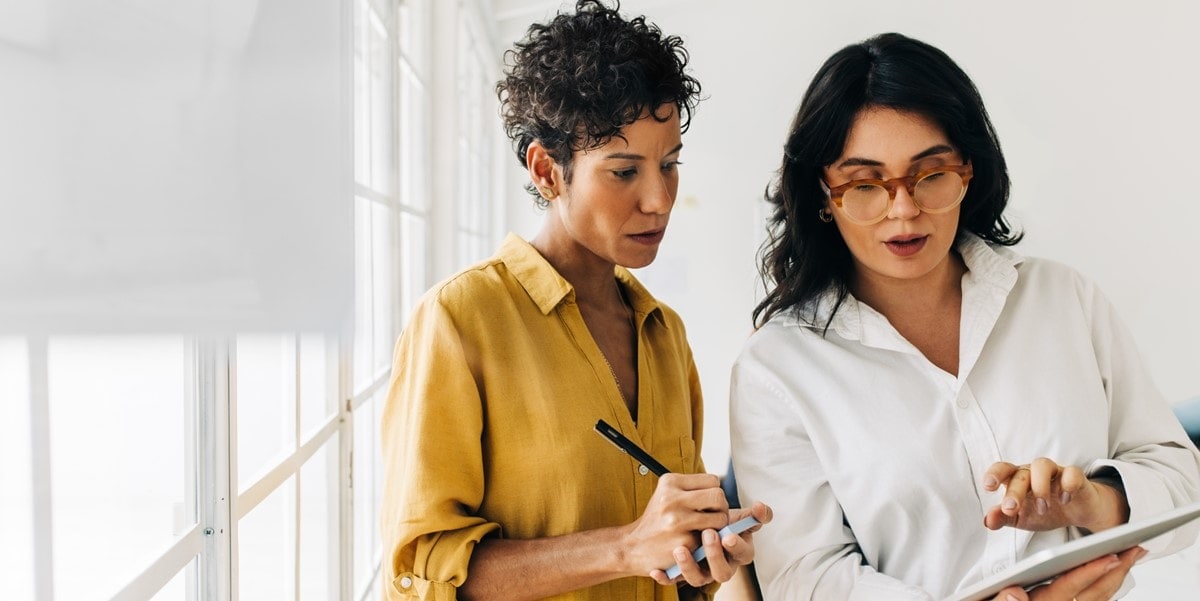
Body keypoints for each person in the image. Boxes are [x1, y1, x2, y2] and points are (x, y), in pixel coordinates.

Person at [729, 32, 1200, 600]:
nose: (903, 210)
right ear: (824, 197)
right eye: (864, 185)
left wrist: (1094, 501)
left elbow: (1182, 480)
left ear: (969, 171)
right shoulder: (776, 370)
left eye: (930, 175)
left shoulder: (1061, 297)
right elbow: (805, 579)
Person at [379, 2, 770, 600]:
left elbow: (667, 573)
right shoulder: (458, 322)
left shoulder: (666, 337)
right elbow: (419, 573)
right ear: (547, 170)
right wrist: (625, 546)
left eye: (668, 165)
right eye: (623, 172)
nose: (659, 199)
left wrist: (701, 558)